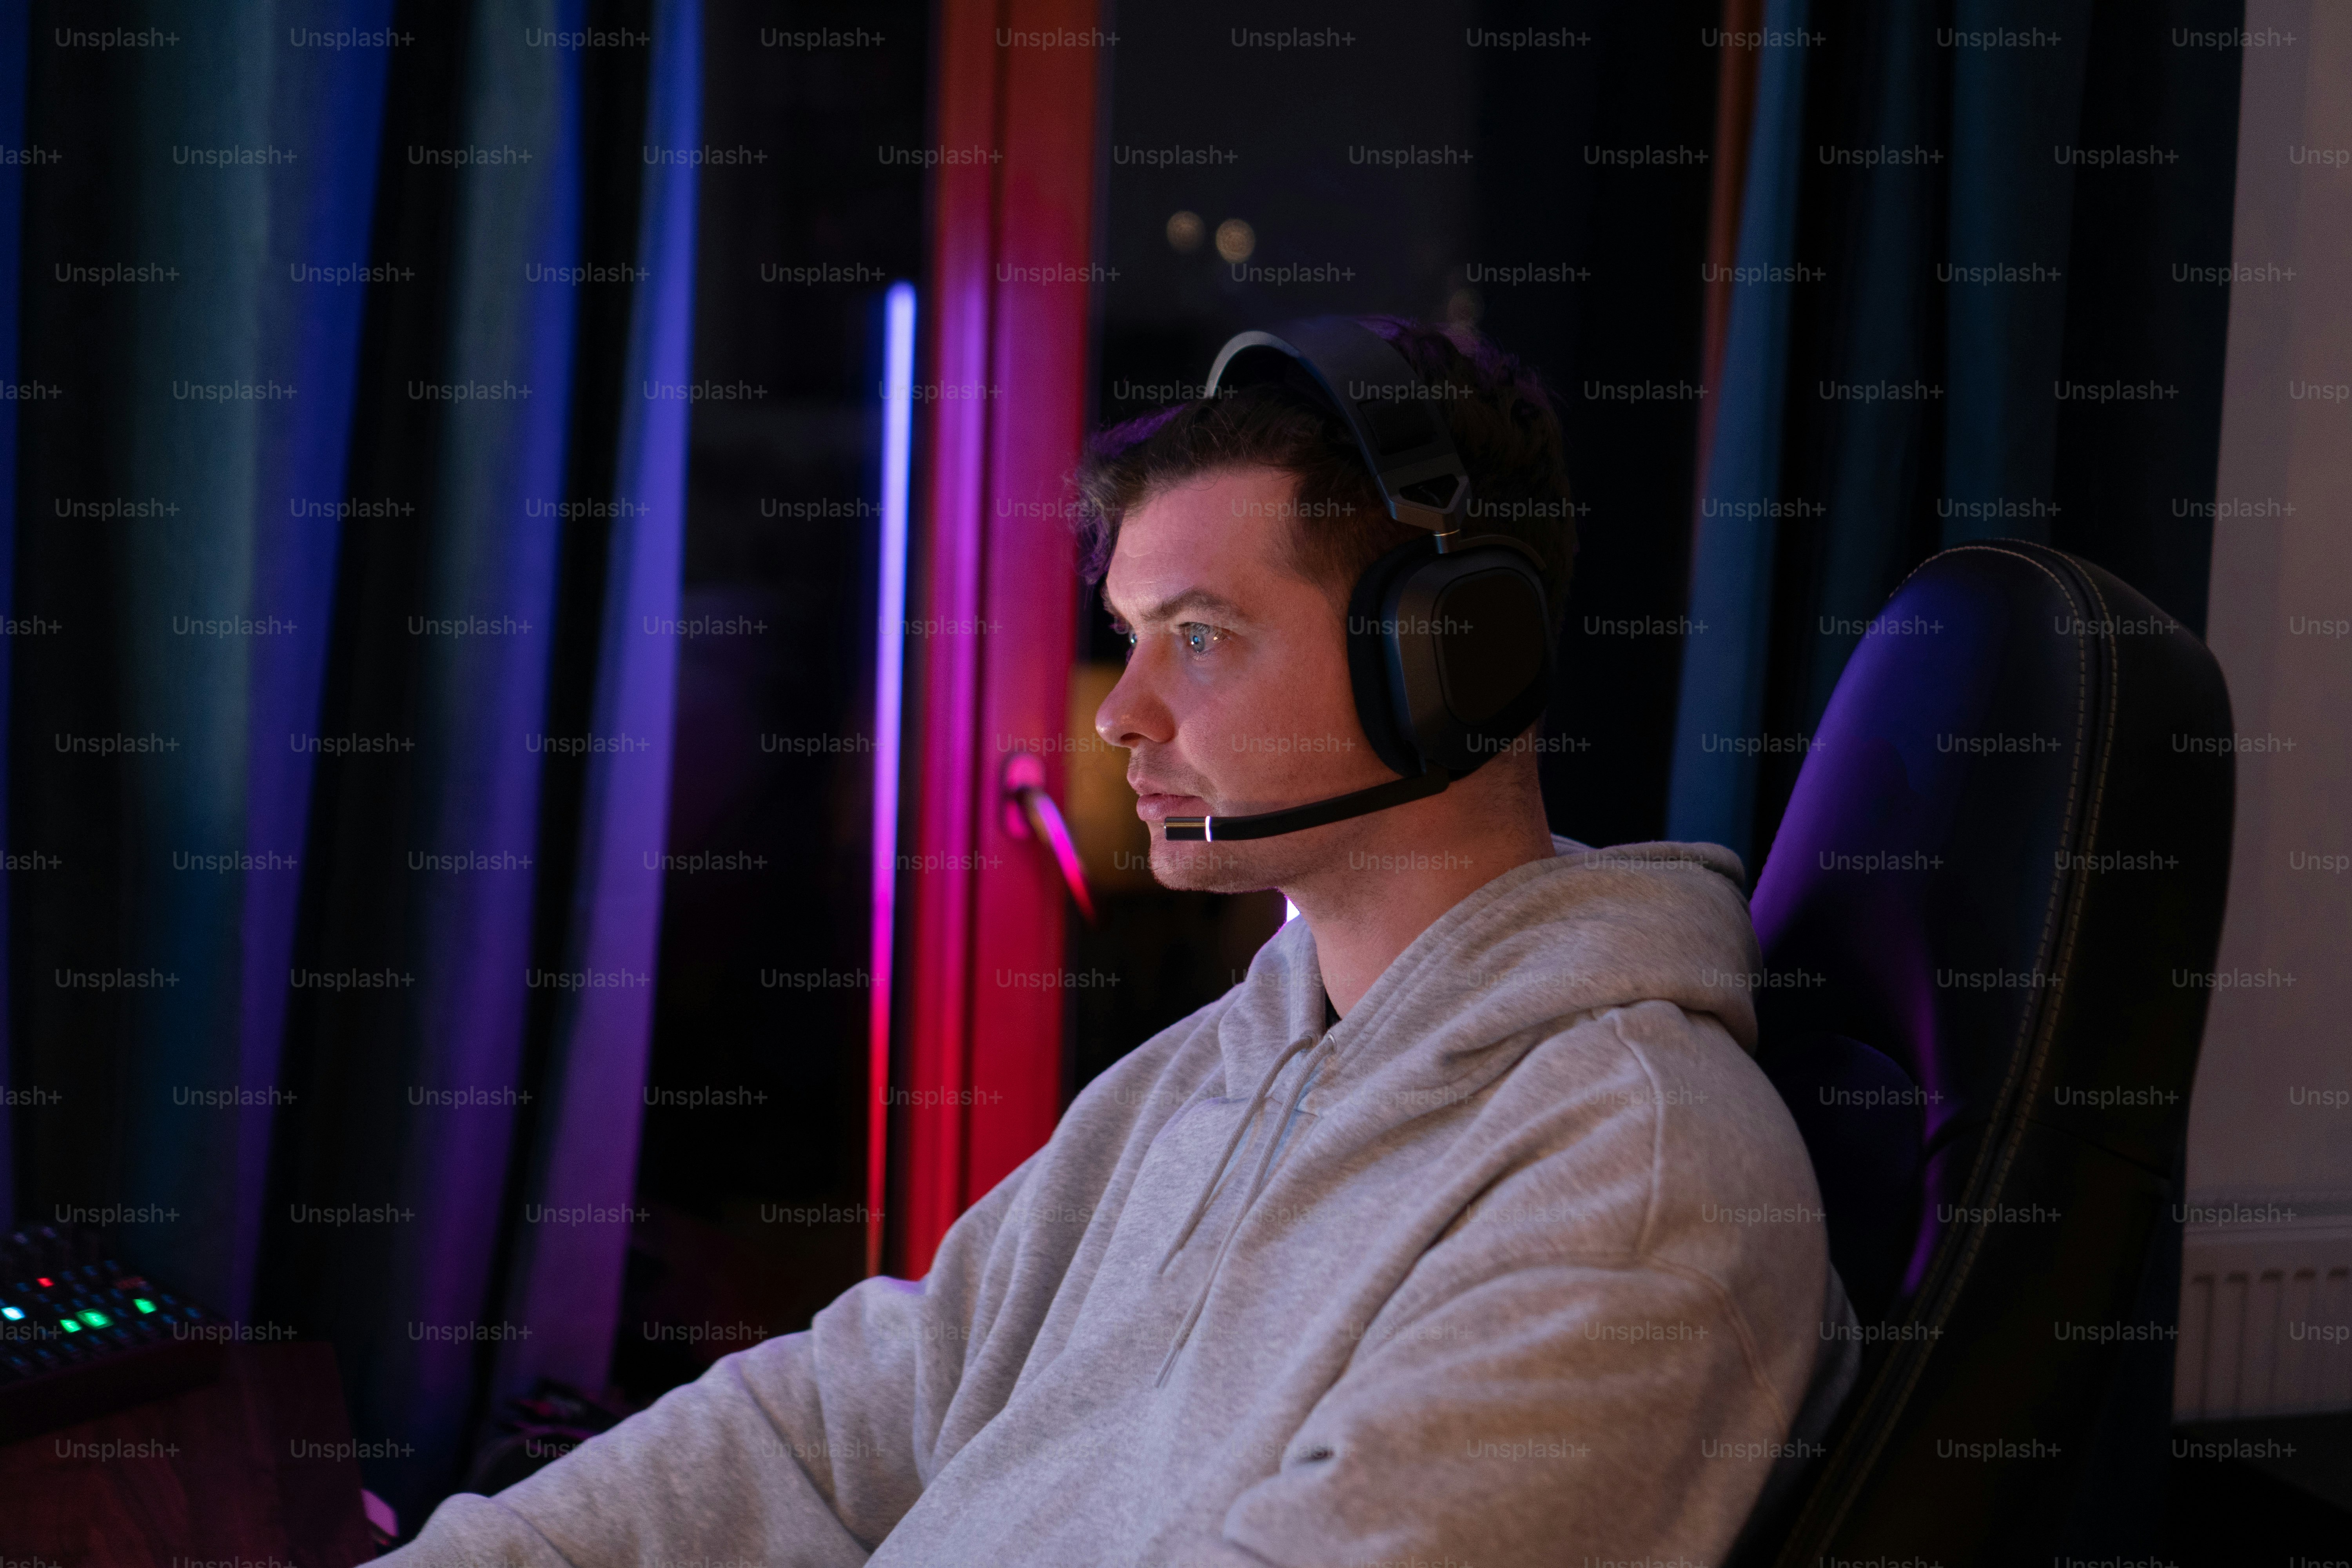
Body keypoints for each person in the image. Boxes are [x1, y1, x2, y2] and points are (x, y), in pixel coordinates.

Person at [383, 317, 1855, 1567]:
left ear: (1451, 659)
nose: (1119, 713)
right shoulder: (1219, 1071)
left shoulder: (1633, 1180)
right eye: (1129, 631)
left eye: (1200, 637)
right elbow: (844, 1421)